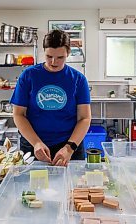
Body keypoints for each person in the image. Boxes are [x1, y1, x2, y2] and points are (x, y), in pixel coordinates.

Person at [10, 29, 91, 166]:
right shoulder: (28, 76)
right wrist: (36, 143)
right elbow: (19, 115)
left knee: (73, 185)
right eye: (49, 56)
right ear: (44, 52)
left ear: (68, 54)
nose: (53, 62)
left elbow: (84, 118)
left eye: (60, 57)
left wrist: (69, 148)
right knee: (32, 186)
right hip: (33, 145)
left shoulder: (78, 79)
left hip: (69, 145)